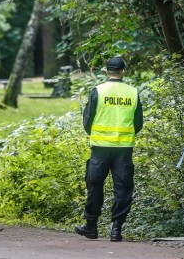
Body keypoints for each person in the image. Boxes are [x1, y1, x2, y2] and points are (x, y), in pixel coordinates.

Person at [75, 56, 143, 242]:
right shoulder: (132, 92)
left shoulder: (98, 91)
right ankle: (116, 230)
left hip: (100, 147)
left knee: (94, 185)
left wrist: (96, 134)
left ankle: (91, 227)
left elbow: (87, 119)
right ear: (123, 71)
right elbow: (138, 123)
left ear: (106, 71)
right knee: (123, 188)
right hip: (123, 148)